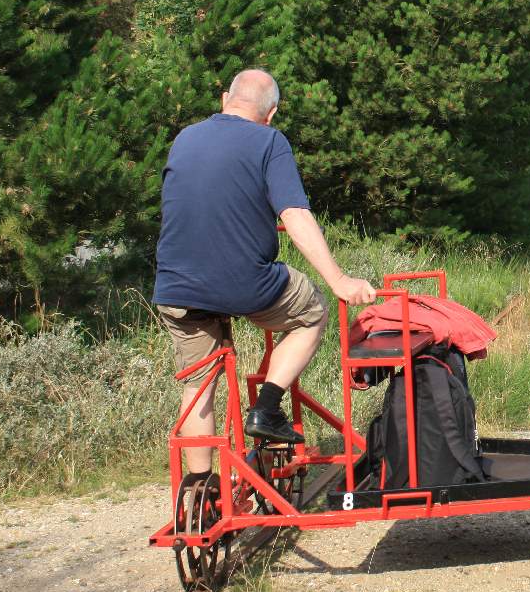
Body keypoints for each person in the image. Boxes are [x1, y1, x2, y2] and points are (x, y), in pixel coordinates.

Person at [153, 69, 376, 475]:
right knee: (312, 311)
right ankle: (267, 408)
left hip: (176, 287)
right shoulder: (268, 140)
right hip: (245, 285)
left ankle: (199, 491)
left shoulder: (184, 138)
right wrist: (339, 280)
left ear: (225, 99)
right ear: (270, 113)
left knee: (199, 380)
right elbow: (293, 214)